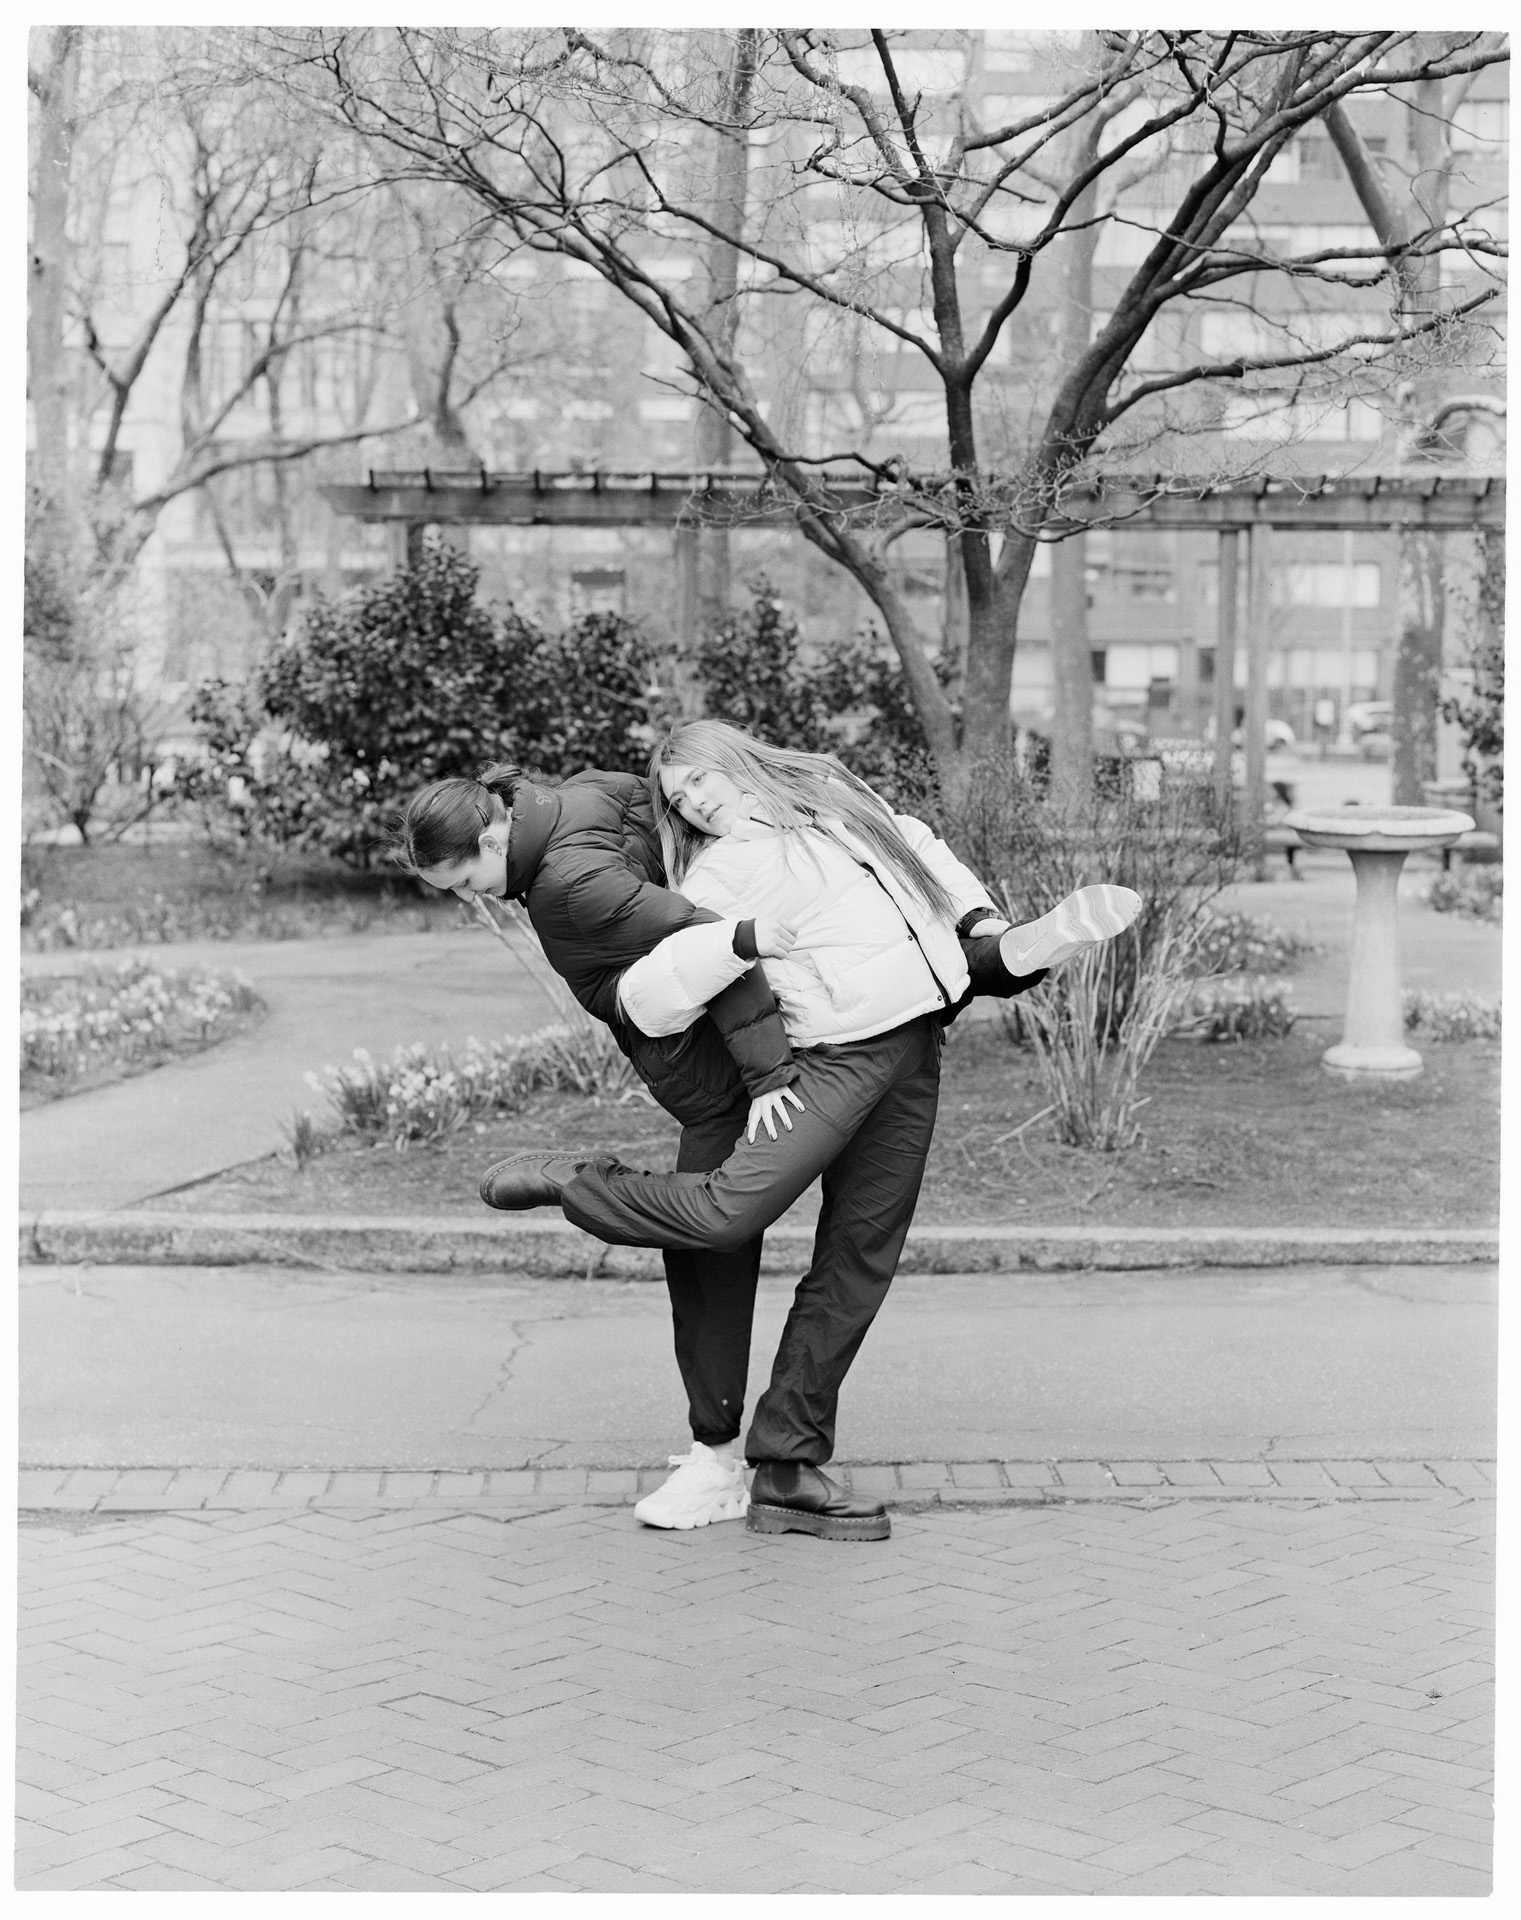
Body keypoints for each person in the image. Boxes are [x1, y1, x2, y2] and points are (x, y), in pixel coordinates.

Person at [469, 722, 1140, 1542]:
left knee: (859, 1257)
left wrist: (974, 914)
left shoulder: (834, 800)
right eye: (678, 798)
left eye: (699, 780)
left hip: (920, 1037)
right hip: (834, 1057)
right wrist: (740, 980)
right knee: (725, 1215)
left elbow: (917, 843)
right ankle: (575, 1181)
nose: (694, 801)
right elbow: (653, 991)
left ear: (734, 758)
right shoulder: (717, 873)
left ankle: (786, 1462)